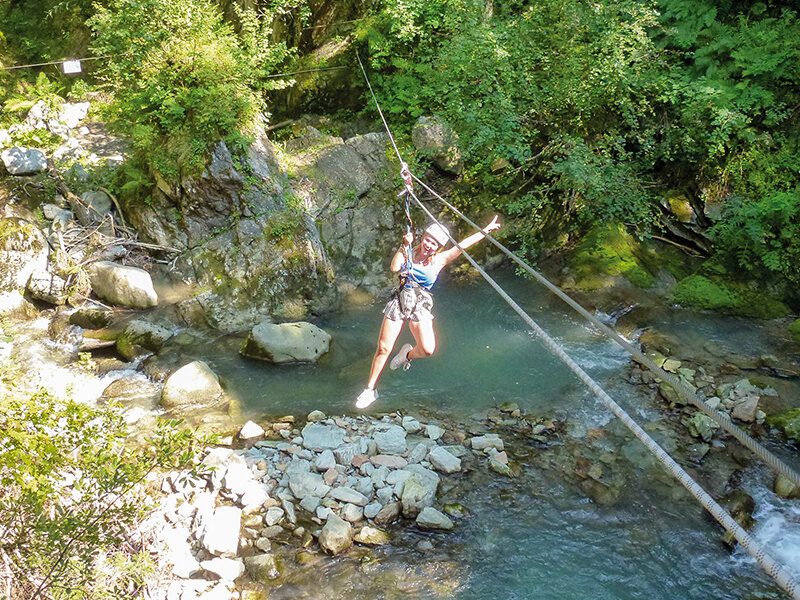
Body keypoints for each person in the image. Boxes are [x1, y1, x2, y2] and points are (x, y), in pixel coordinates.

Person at [354, 215, 502, 409]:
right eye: (428, 240)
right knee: (383, 349)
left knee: (427, 349)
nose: (429, 245)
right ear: (423, 238)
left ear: (439, 247)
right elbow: (394, 267)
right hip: (400, 300)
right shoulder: (407, 251)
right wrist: (402, 245)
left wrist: (486, 230)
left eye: (434, 243)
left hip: (420, 304)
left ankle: (406, 356)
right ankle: (370, 390)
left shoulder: (439, 260)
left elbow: (463, 245)